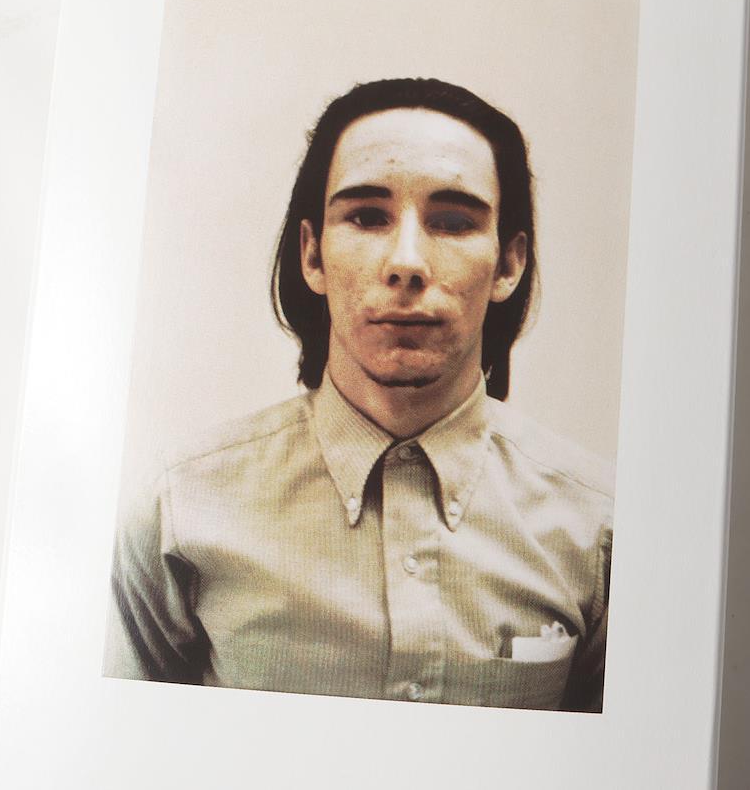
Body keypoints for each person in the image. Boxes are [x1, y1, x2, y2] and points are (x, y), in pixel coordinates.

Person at [105, 77, 613, 712]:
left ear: (509, 265)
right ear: (313, 256)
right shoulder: (179, 510)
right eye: (368, 217)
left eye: (453, 222)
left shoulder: (597, 529)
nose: (407, 263)